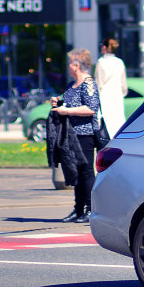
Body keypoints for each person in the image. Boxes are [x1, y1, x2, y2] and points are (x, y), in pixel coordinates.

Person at [51, 48, 103, 223]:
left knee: (86, 171)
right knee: (75, 172)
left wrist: (67, 110)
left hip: (85, 134)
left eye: (69, 63)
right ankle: (78, 208)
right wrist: (58, 103)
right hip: (71, 135)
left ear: (77, 65)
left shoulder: (88, 84)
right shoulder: (71, 85)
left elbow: (90, 109)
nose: (67, 67)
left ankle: (91, 209)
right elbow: (69, 103)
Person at [94, 38, 127, 140]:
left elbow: (98, 83)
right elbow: (124, 85)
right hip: (117, 96)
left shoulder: (101, 62)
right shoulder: (119, 62)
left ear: (104, 47)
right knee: (118, 120)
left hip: (105, 96)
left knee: (106, 121)